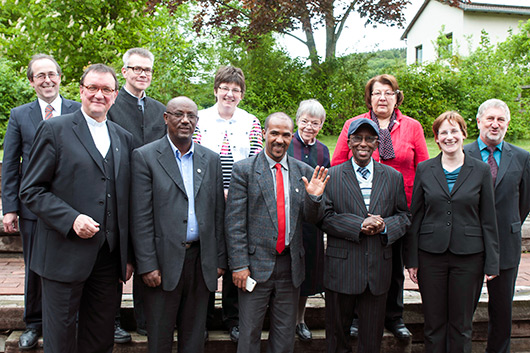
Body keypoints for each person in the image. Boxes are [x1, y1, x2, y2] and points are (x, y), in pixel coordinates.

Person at [19, 64, 133, 353]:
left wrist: (128, 254)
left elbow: (127, 199)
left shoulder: (124, 138)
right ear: (81, 91)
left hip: (107, 258)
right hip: (63, 254)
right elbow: (31, 191)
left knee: (100, 338)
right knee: (60, 341)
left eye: (106, 89)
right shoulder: (54, 129)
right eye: (92, 88)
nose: (99, 95)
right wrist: (71, 219)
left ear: (115, 96)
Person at [331, 74, 428, 339]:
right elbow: (338, 162)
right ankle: (356, 317)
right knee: (361, 264)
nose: (382, 97)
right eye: (376, 93)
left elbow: (424, 167)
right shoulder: (354, 125)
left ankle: (394, 317)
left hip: (398, 206)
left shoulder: (412, 127)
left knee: (394, 266)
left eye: (388, 92)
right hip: (358, 205)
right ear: (369, 97)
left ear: (397, 96)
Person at [225, 112, 329, 353]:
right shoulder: (245, 171)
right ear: (264, 134)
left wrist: (314, 197)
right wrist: (239, 265)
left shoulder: (303, 170)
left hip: (290, 267)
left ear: (291, 136)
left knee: (283, 338)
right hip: (254, 267)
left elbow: (312, 219)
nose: (279, 140)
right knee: (249, 334)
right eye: (274, 133)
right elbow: (235, 223)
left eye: (285, 134)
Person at [130, 96, 226, 352]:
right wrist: (147, 264)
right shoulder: (145, 157)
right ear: (166, 118)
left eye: (191, 116)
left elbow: (218, 213)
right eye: (178, 114)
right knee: (159, 339)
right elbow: (140, 217)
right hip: (161, 265)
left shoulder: (211, 160)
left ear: (197, 121)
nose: (185, 120)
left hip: (200, 263)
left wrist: (218, 260)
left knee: (194, 339)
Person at [1, 53, 81, 350]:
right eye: (40, 75)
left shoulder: (78, 110)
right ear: (32, 81)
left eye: (52, 74)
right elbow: (10, 164)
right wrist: (10, 208)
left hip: (72, 206)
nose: (47, 80)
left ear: (60, 77)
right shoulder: (20, 115)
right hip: (34, 208)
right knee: (35, 267)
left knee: (71, 267)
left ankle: (70, 321)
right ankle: (34, 323)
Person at [405, 111, 499, 352]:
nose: (449, 137)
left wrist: (492, 262)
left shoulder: (480, 170)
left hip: (469, 258)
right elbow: (415, 216)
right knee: (434, 325)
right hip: (430, 256)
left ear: (463, 134)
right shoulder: (425, 169)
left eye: (454, 131)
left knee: (461, 325)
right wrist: (412, 260)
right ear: (436, 138)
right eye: (443, 133)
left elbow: (488, 218)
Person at [317, 118, 410, 353]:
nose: (363, 144)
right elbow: (324, 217)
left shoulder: (392, 177)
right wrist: (359, 224)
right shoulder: (332, 175)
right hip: (342, 270)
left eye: (369, 139)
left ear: (377, 143)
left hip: (377, 272)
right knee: (337, 340)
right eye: (357, 138)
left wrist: (384, 226)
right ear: (349, 142)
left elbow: (403, 216)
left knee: (371, 342)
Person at [194, 65, 263, 342]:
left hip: (240, 200)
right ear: (216, 90)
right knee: (208, 255)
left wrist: (235, 192)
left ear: (242, 94)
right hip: (206, 199)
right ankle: (204, 317)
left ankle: (233, 317)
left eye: (236, 90)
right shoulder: (200, 118)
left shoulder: (251, 122)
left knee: (237, 254)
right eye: (225, 88)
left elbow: (256, 160)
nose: (230, 94)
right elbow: (196, 155)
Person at [107, 47, 166, 342]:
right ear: (125, 71)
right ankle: (112, 319)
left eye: (148, 70)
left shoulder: (159, 109)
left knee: (146, 252)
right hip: (116, 192)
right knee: (115, 258)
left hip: (152, 196)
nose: (143, 74)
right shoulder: (111, 105)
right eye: (137, 69)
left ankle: (146, 319)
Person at [463, 99, 530, 353]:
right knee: (463, 309)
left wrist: (507, 223)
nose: (495, 124)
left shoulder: (522, 158)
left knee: (502, 310)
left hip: (506, 243)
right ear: (479, 121)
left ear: (508, 124)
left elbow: (525, 200)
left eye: (501, 120)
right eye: (490, 119)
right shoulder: (462, 154)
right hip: (468, 243)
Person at [286, 99, 330, 341]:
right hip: (287, 216)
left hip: (311, 220)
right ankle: (283, 318)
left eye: (315, 123)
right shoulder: (286, 142)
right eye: (304, 121)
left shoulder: (323, 150)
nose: (309, 127)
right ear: (297, 120)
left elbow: (326, 183)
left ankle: (300, 320)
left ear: (321, 125)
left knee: (307, 271)